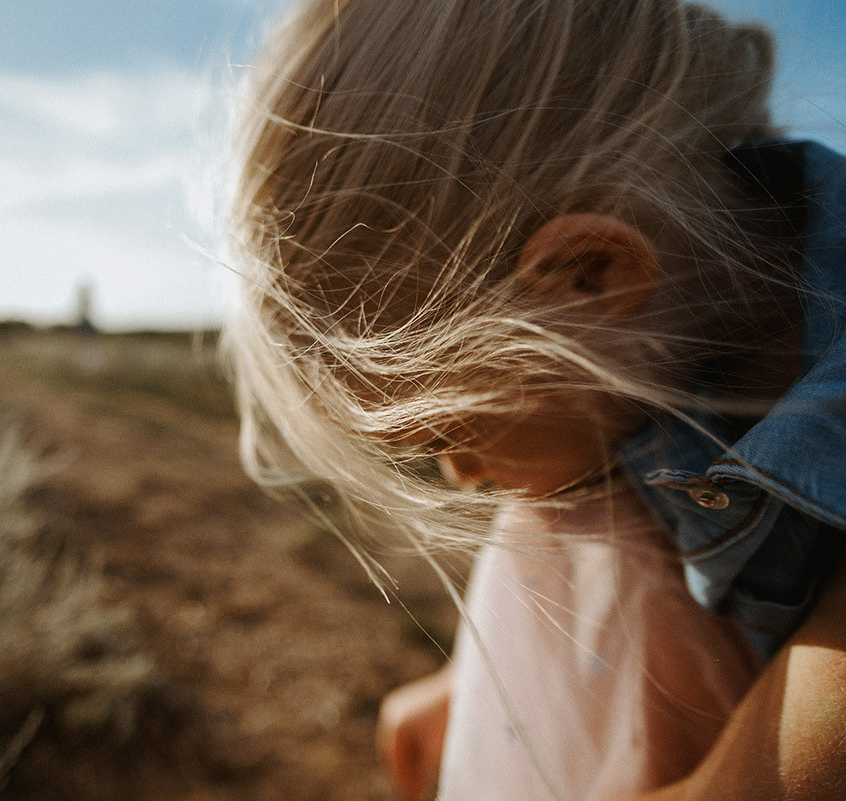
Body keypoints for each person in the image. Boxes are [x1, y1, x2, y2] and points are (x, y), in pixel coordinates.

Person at [219, 0, 846, 799]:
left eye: (452, 431)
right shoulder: (647, 335)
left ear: (589, 274)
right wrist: (477, 681)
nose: (461, 472)